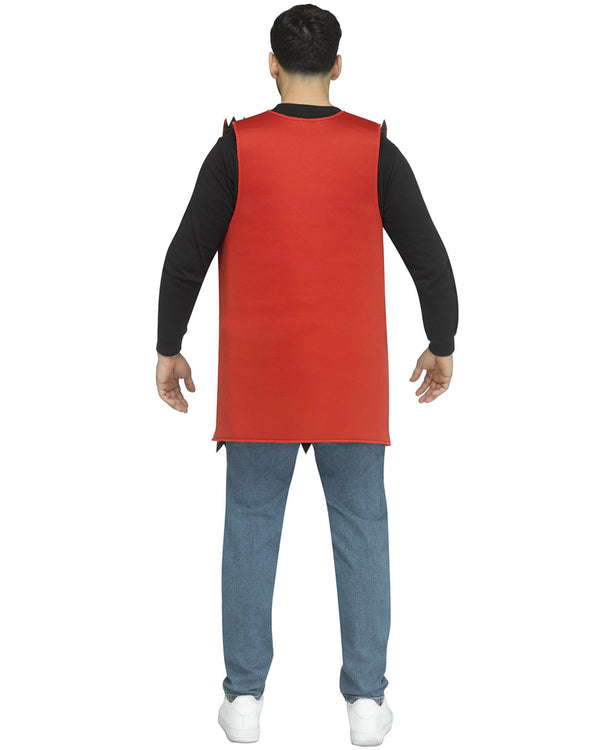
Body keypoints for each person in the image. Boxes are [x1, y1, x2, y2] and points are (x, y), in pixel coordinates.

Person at [155, 4, 458, 745]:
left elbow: (186, 254)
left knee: (251, 528)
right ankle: (366, 704)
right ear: (338, 65)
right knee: (362, 531)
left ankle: (244, 700)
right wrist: (441, 341)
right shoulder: (374, 148)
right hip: (349, 384)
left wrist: (169, 345)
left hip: (260, 383)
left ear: (271, 63)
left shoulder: (237, 148)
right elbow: (428, 254)